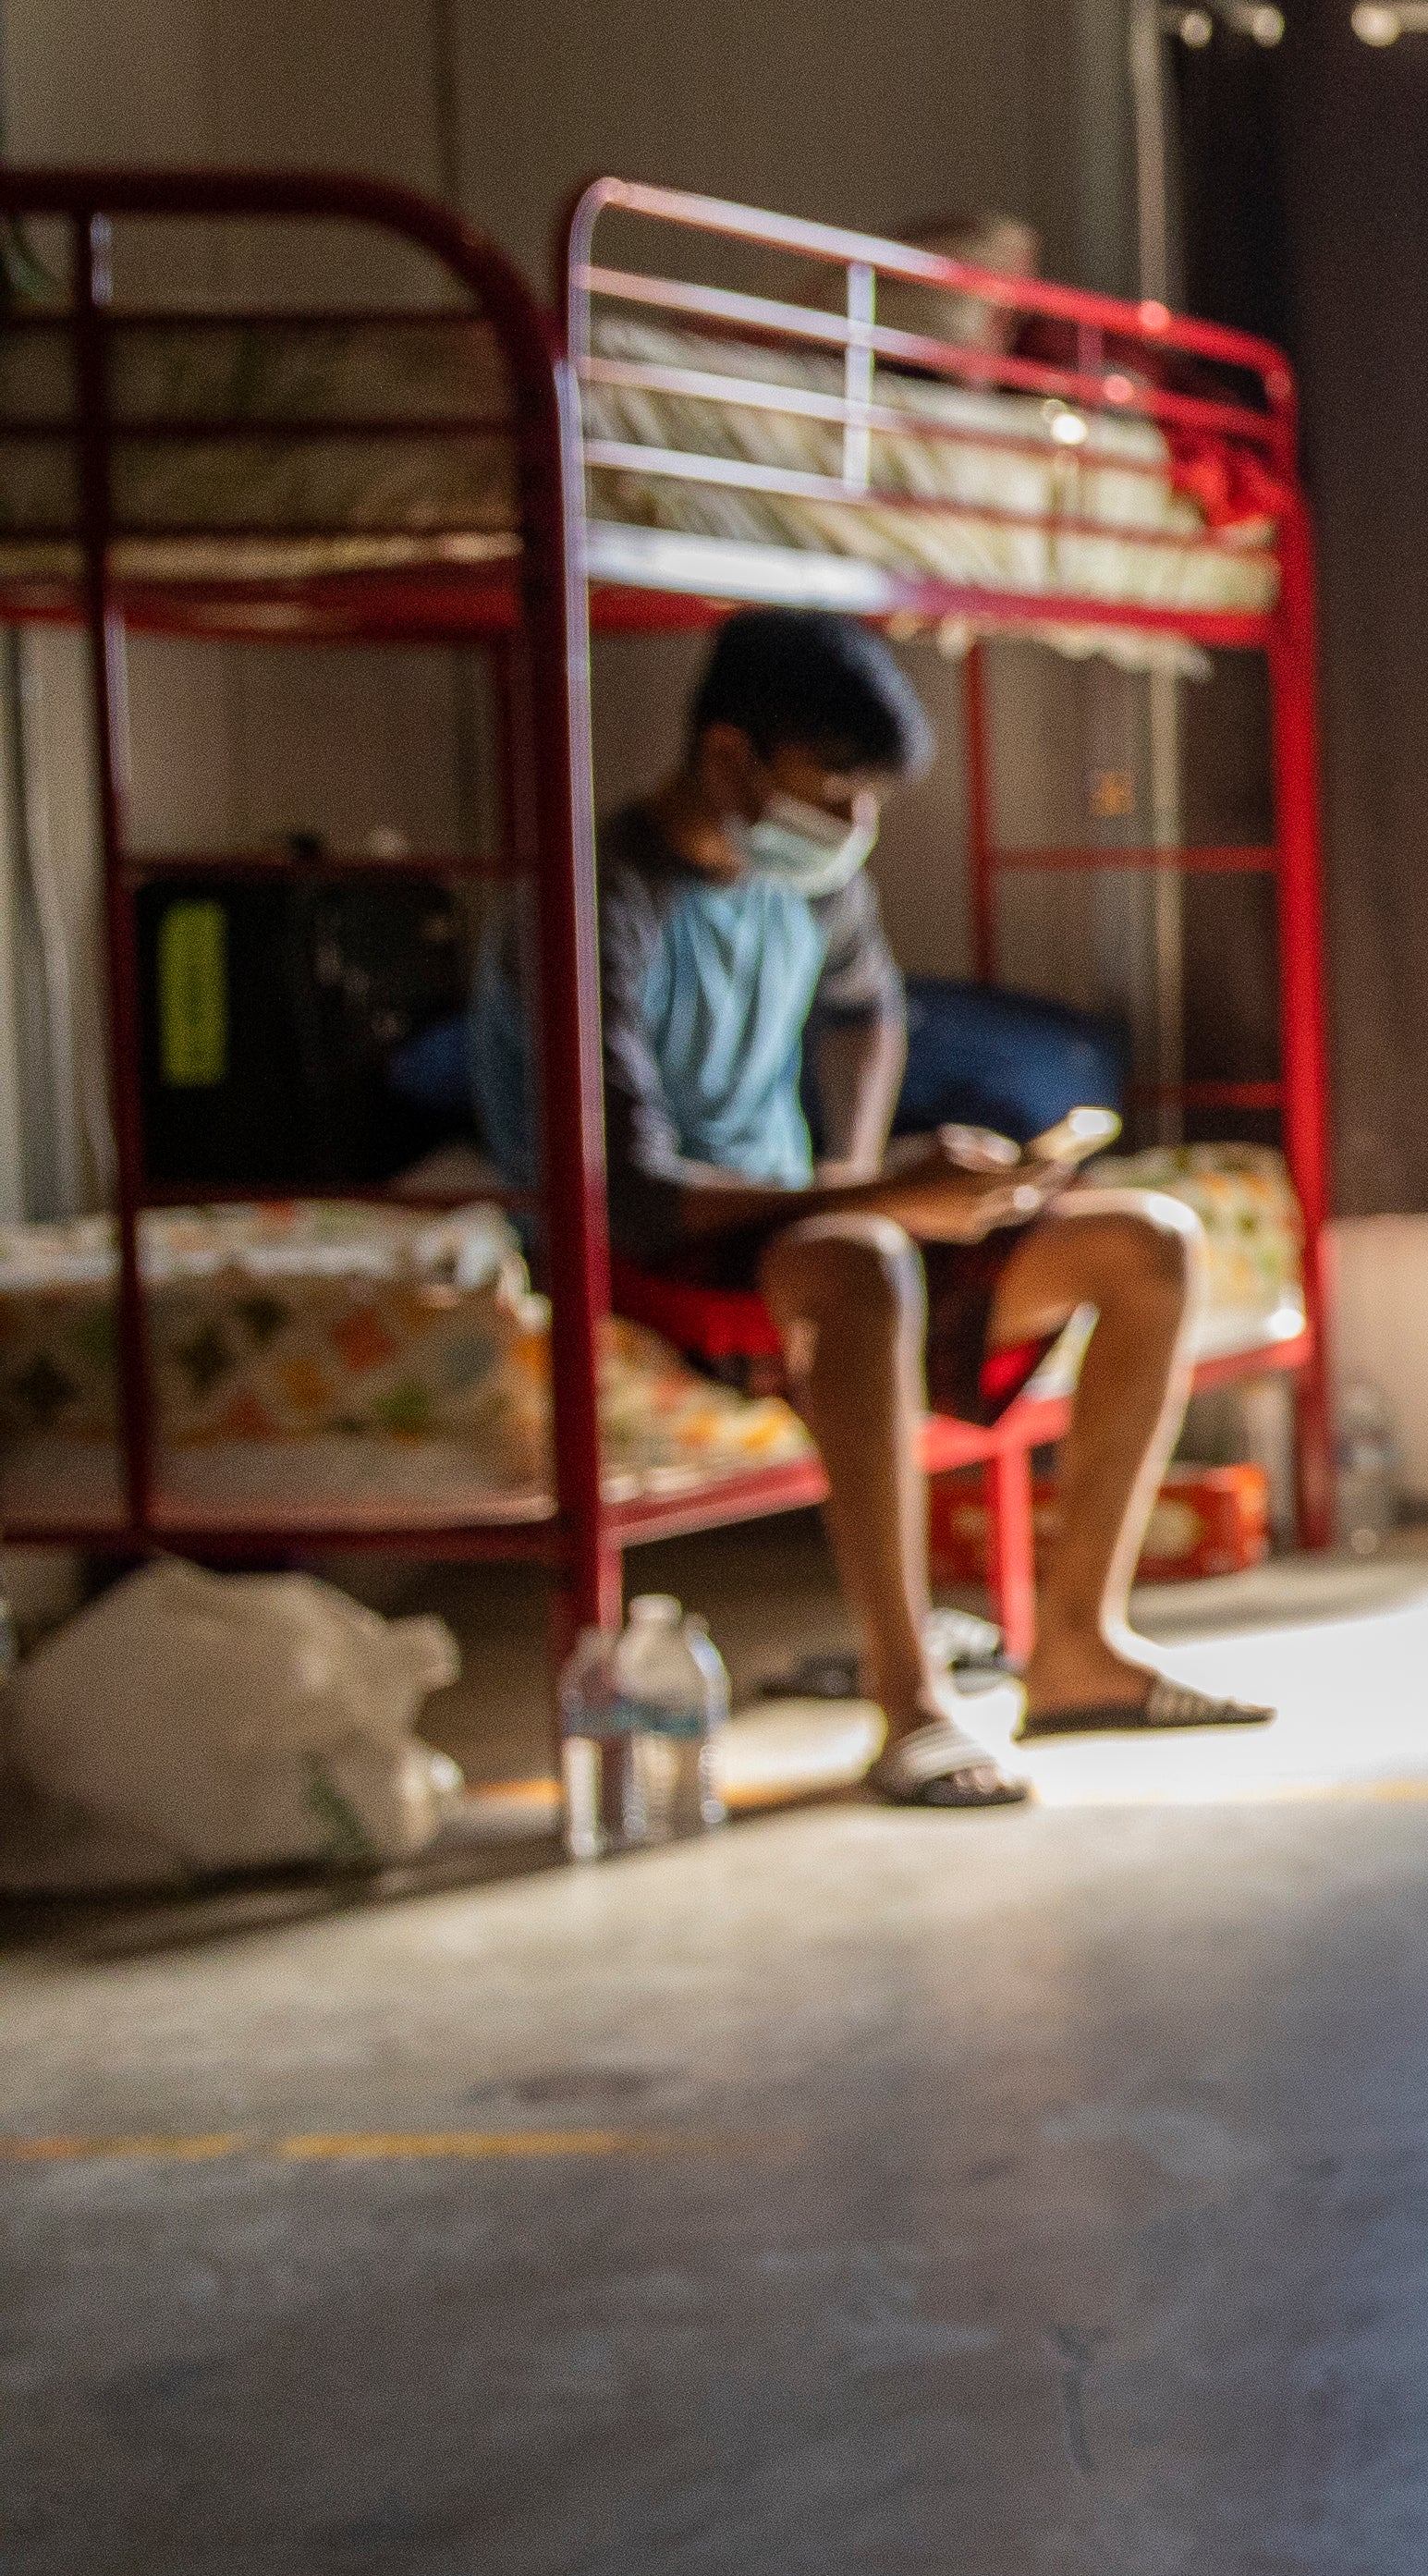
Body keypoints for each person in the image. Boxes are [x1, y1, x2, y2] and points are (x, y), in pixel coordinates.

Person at [479, 608, 1265, 1810]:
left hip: (800, 1215)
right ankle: (910, 1702)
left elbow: (867, 1011)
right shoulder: (599, 904)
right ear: (732, 758)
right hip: (654, 1239)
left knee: (1150, 1244)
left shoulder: (812, 888)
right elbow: (629, 1199)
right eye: (834, 792)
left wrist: (874, 1172)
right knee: (859, 1263)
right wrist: (879, 1198)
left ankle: (1077, 1647)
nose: (853, 830)